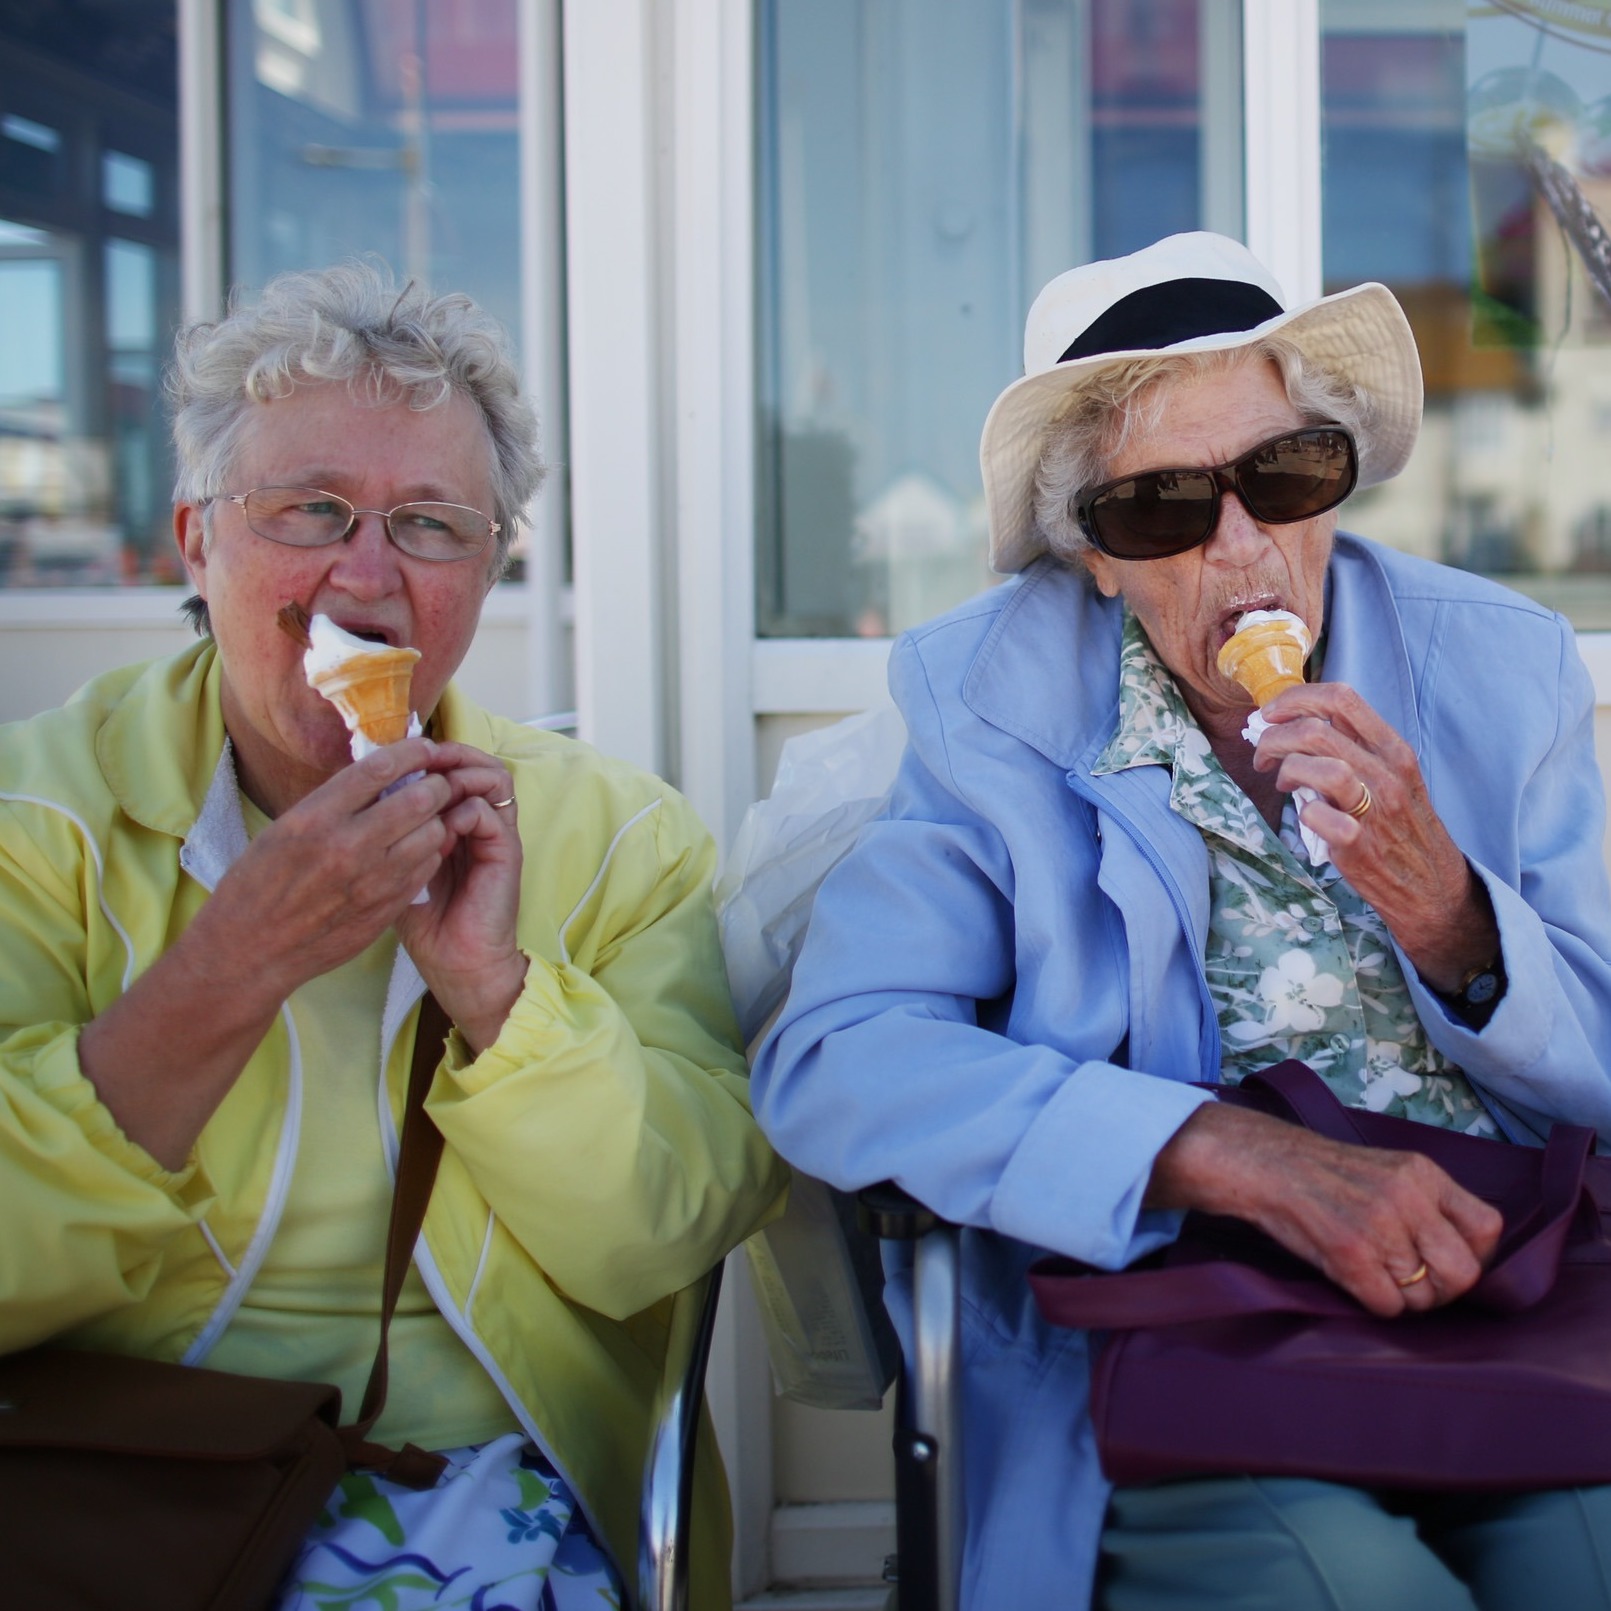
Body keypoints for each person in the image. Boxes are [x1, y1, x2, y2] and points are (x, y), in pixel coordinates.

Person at [751, 231, 1611, 1610]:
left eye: (1286, 474)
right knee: (1359, 1595)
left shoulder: (1498, 664)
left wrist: (1450, 912)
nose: (1244, 546)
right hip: (1193, 1327)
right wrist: (1225, 1154)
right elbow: (837, 1057)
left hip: (1510, 1286)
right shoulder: (992, 708)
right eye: (1161, 508)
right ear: (1093, 555)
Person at [0, 262, 787, 1611]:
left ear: (488, 570)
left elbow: (664, 1239)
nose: (364, 574)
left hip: (472, 1467)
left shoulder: (615, 838)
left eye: (430, 524)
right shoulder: (37, 824)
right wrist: (236, 961)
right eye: (310, 509)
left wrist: (497, 993)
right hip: (101, 1451)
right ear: (196, 540)